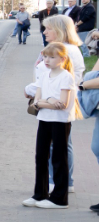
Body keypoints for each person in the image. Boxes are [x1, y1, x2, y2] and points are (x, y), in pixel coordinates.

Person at [25, 43, 80, 209]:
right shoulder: (44, 75)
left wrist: (44, 102)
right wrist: (49, 100)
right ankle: (40, 193)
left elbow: (62, 104)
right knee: (40, 157)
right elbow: (36, 102)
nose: (46, 60)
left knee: (58, 157)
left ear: (62, 59)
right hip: (44, 119)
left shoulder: (66, 77)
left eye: (51, 57)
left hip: (60, 121)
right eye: (45, 56)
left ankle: (60, 198)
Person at [35, 15, 85, 193]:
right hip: (51, 102)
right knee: (60, 143)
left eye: (48, 28)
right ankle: (63, 181)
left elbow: (64, 79)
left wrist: (37, 93)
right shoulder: (59, 48)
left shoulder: (66, 50)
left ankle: (58, 181)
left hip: (57, 104)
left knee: (57, 144)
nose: (45, 31)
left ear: (59, 30)